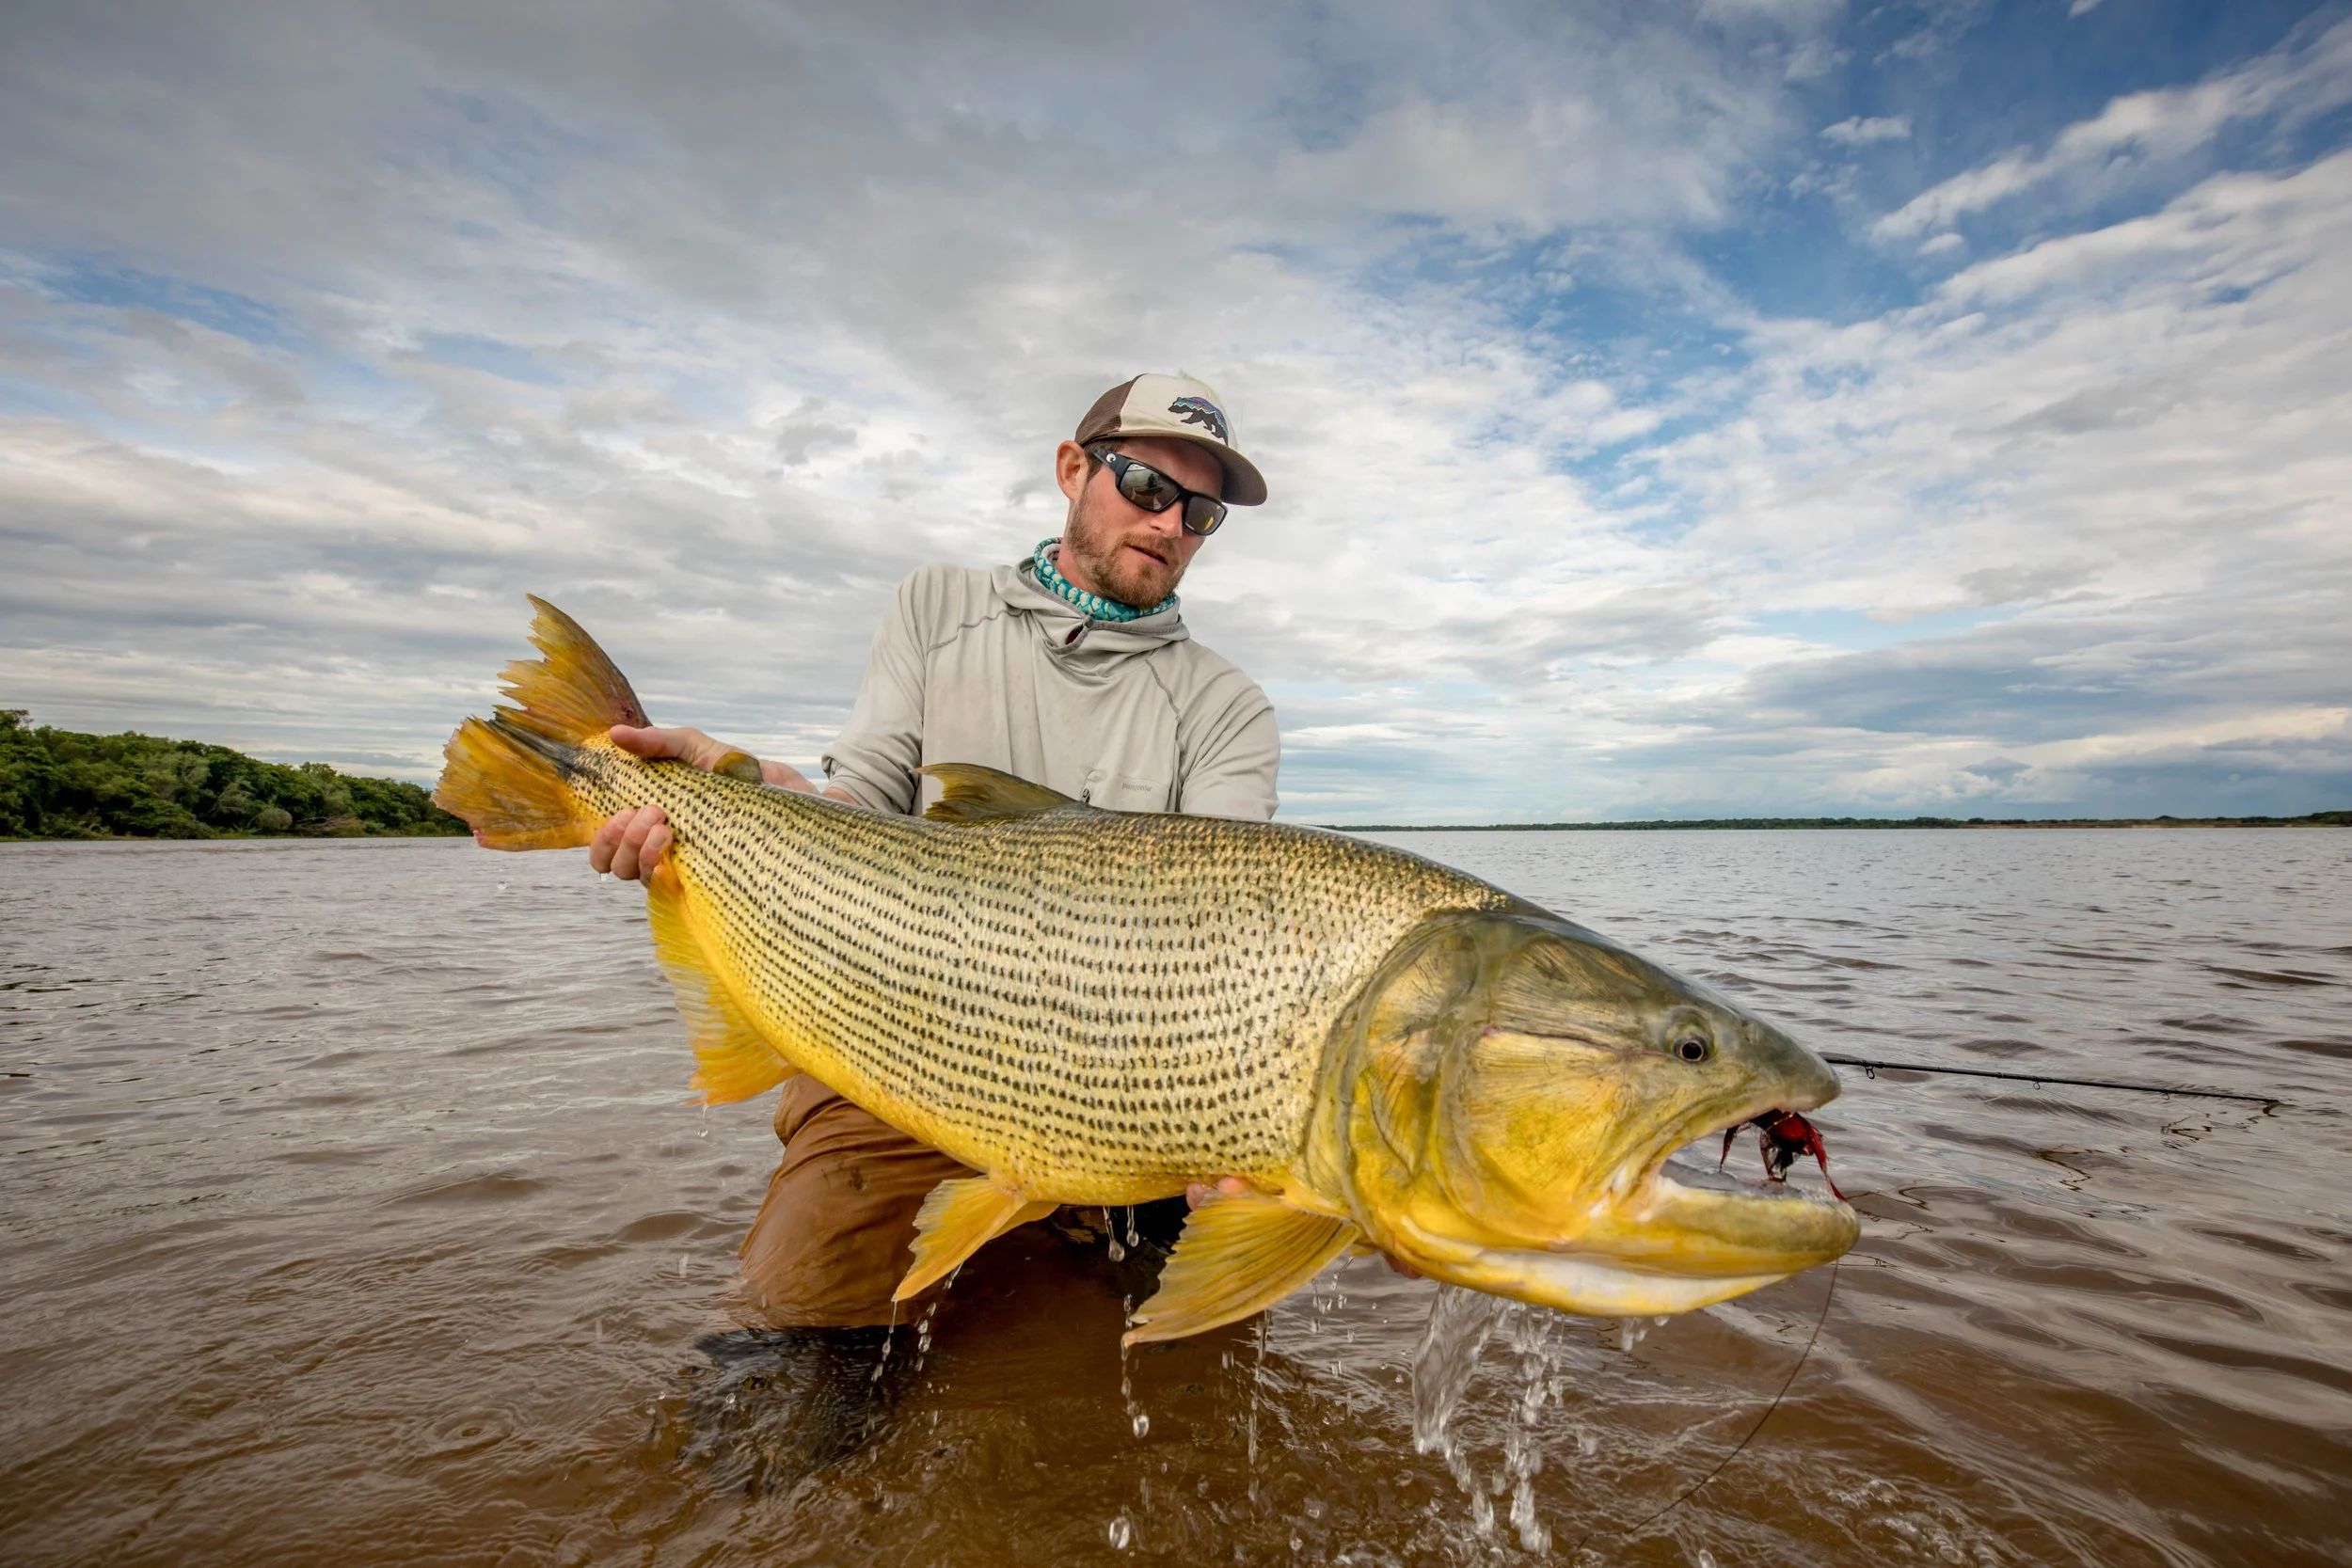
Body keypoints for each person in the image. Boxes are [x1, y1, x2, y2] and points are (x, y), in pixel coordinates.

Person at [587, 373, 1277, 1327]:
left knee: (1196, 1350)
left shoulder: (1228, 706)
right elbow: (862, 799)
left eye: (1200, 512)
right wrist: (756, 792)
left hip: (1126, 1092)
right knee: (795, 1329)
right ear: (1071, 469)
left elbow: (1227, 931)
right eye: (1147, 487)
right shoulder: (937, 605)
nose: (1169, 524)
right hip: (900, 1036)